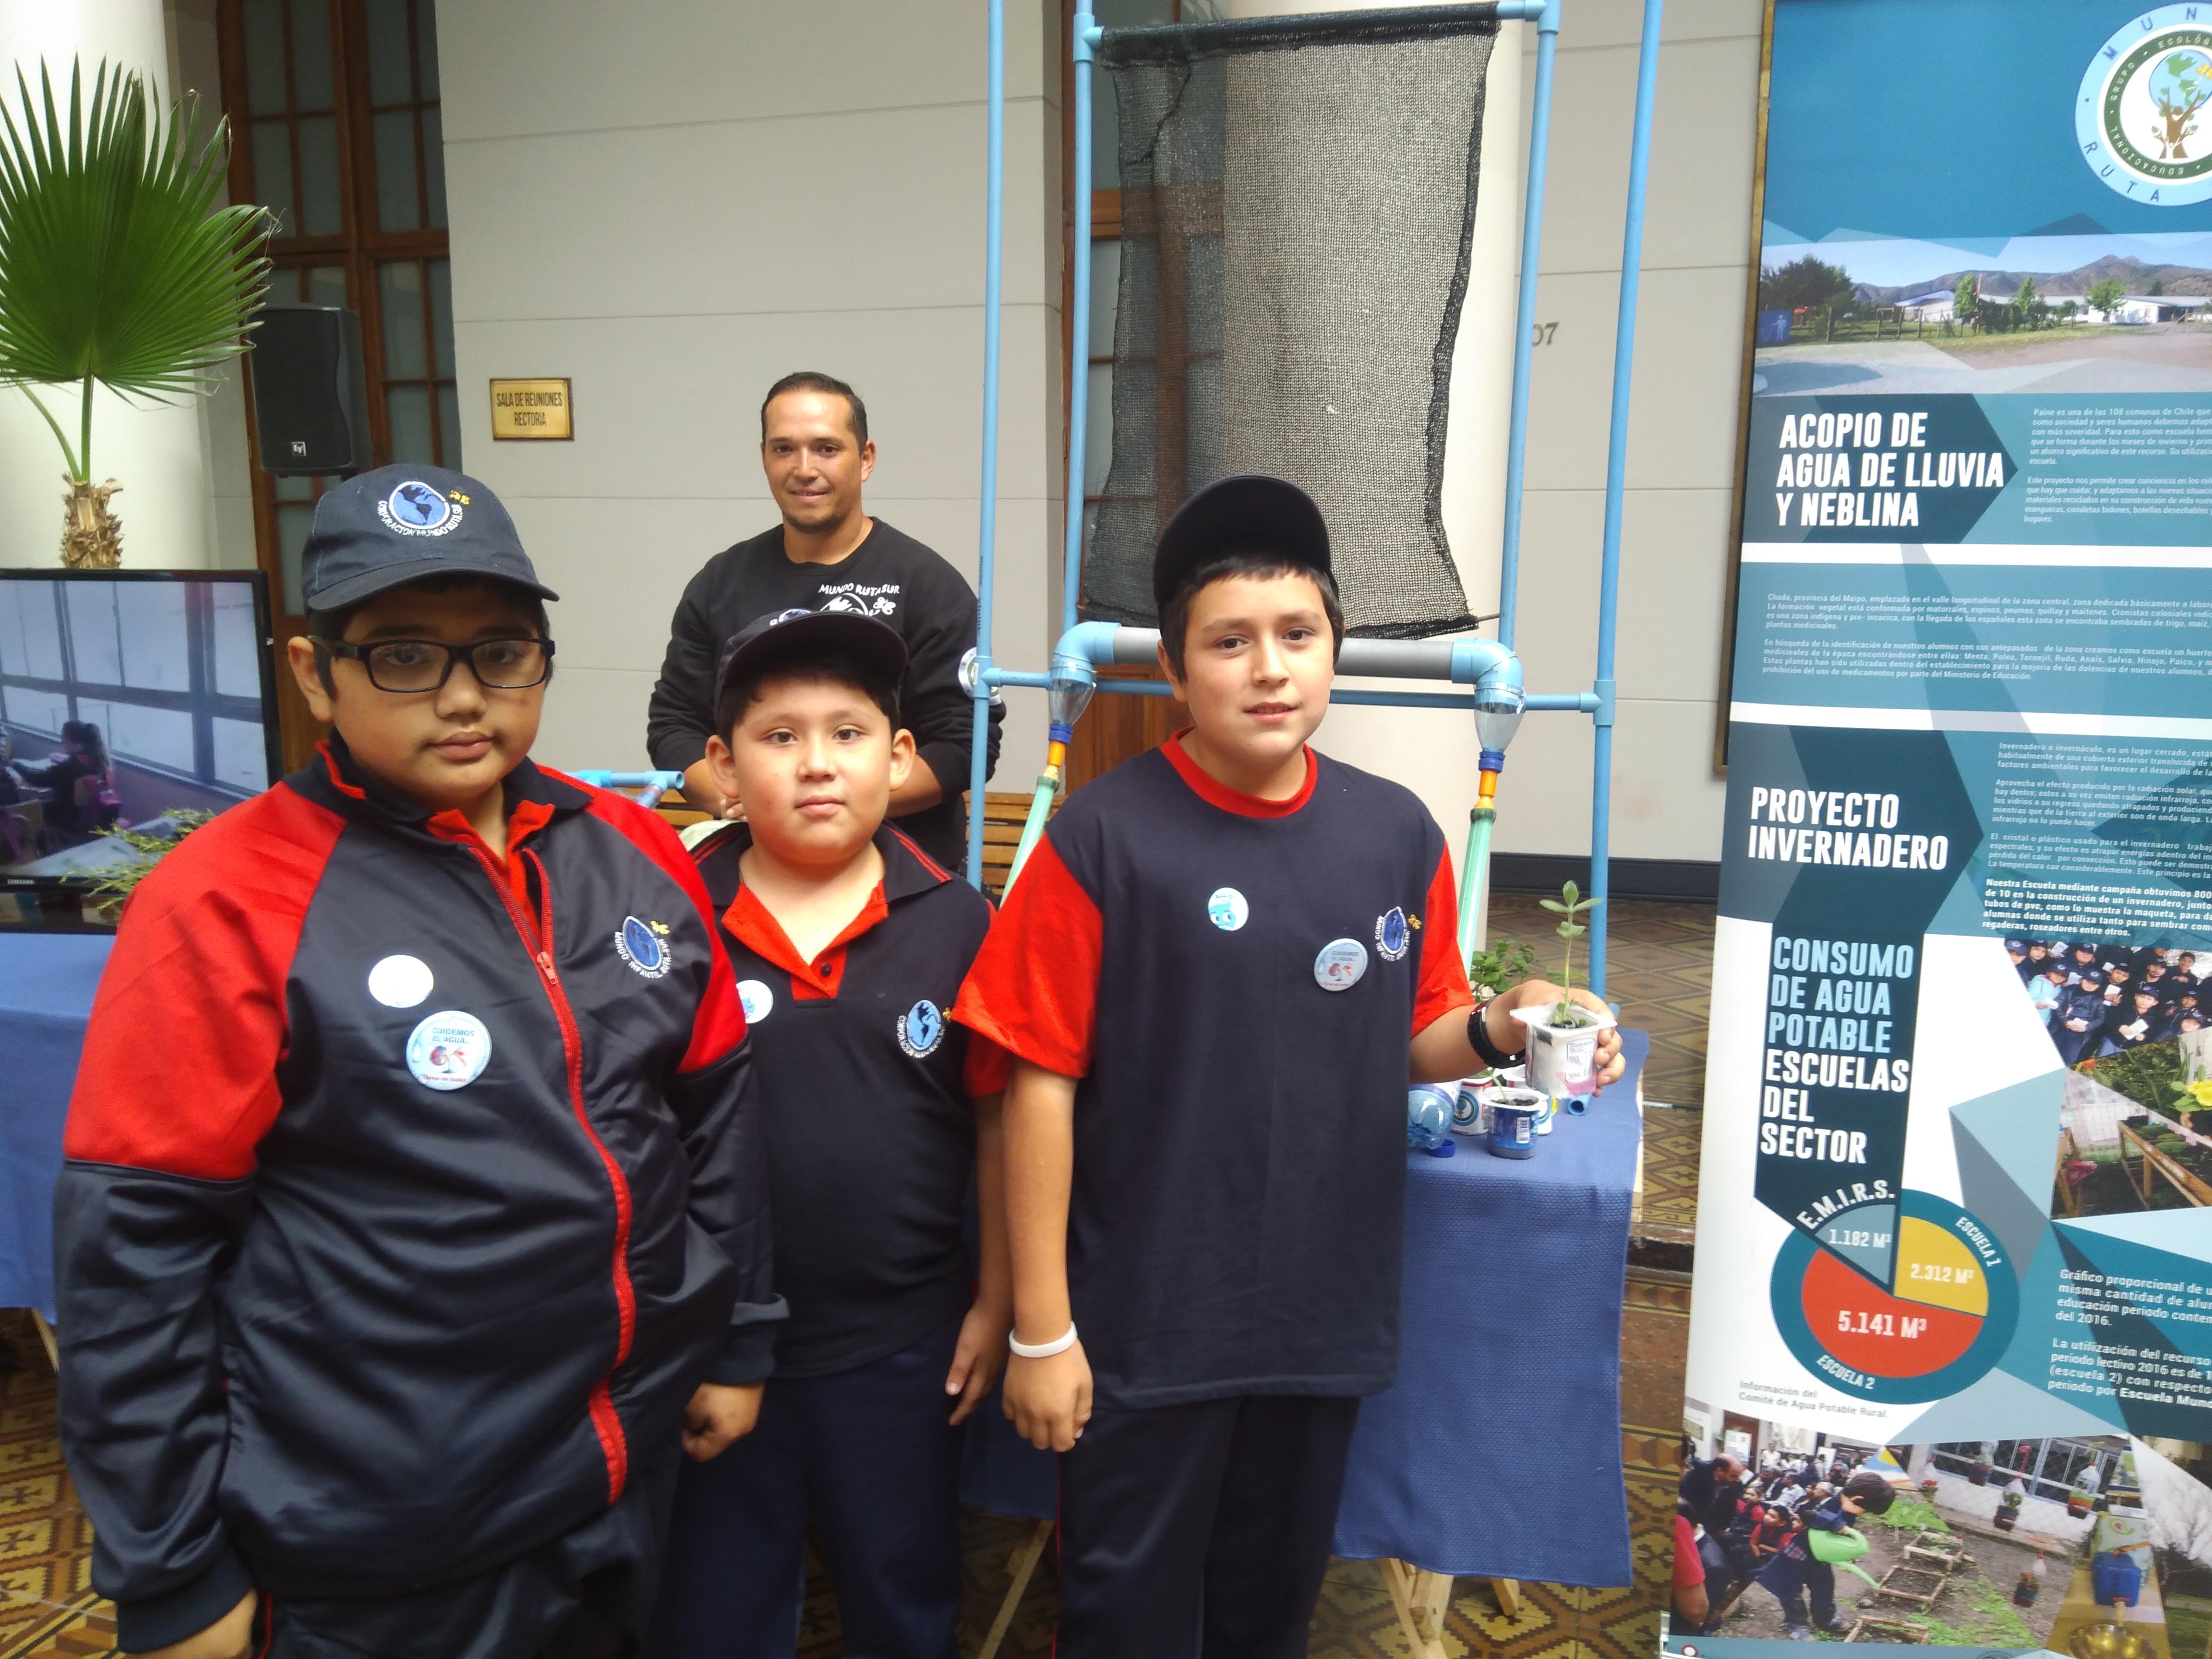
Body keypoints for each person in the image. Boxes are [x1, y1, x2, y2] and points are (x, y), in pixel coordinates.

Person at [53, 464, 783, 1659]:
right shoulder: (228, 899)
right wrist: (170, 1562)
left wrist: (738, 1335)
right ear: (313, 669)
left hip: (619, 1470)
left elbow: (713, 1116)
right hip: (383, 1533)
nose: (461, 698)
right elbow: (133, 1250)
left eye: (500, 652)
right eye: (401, 653)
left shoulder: (633, 849)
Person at [950, 474, 1624, 1657]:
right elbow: (1034, 1081)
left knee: (1269, 1612)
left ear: (1333, 649)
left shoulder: (1395, 832)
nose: (1267, 667)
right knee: (1125, 1611)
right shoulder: (1099, 837)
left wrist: (1507, 1020)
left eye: (1296, 634)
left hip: (1317, 1318)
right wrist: (1042, 1331)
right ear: (1173, 668)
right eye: (1229, 640)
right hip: (1145, 1327)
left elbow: (1410, 1039)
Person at [655, 609, 1013, 1659]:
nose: (817, 764)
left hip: (902, 1348)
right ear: (721, 766)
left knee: (902, 1591)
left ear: (899, 757)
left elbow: (994, 1119)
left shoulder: (958, 922)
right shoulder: (669, 920)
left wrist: (997, 1299)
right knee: (715, 1606)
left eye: (849, 733)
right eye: (779, 738)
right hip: (713, 1345)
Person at [647, 372, 1001, 869]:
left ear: (866, 459)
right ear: (765, 457)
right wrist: (750, 804)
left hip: (902, 874)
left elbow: (966, 744)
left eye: (827, 448)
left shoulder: (928, 585)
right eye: (785, 449)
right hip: (751, 870)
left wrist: (829, 811)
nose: (804, 469)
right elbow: (674, 723)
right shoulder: (720, 582)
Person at [1755, 1469, 1896, 1640]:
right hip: (1797, 1555)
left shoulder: (1849, 1510)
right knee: (1791, 1592)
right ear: (1858, 1500)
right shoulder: (1828, 1501)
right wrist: (1835, 1524)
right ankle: (1797, 1624)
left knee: (1825, 1589)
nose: (1862, 1514)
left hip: (1820, 1558)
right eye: (1865, 1511)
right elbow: (1809, 1515)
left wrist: (1844, 1555)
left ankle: (1826, 1619)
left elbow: (1842, 1537)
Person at [14, 719, 120, 843]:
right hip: (95, 817)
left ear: (72, 742)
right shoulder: (102, 763)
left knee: (34, 809)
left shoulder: (69, 767)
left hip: (70, 818)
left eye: (64, 740)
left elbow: (38, 778)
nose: (62, 743)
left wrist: (15, 764)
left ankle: (41, 849)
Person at [2054, 973, 2108, 1065]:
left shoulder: (2098, 1000)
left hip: (2079, 1035)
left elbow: (2100, 1018)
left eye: (2094, 984)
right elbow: (2056, 1005)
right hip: (2060, 1028)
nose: (2090, 985)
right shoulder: (2070, 991)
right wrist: (2066, 1021)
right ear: (2081, 980)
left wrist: (2087, 1028)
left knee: (2070, 1060)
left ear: (2098, 986)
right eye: (2088, 981)